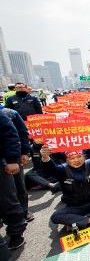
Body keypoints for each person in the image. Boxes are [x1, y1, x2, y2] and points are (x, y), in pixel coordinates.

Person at [40, 140, 90, 228]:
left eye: (79, 156)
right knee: (56, 216)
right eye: (72, 158)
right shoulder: (62, 170)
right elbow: (50, 168)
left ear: (84, 156)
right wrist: (45, 157)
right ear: (66, 160)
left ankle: (78, 220)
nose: (76, 160)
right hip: (76, 207)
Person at [1, 107, 34, 222]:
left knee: (18, 186)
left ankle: (23, 212)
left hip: (12, 157)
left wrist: (24, 152)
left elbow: (21, 133)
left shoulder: (10, 113)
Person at [0, 111, 27, 251]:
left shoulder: (7, 114)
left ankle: (16, 232)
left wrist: (13, 159)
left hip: (4, 165)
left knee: (8, 199)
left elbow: (12, 135)